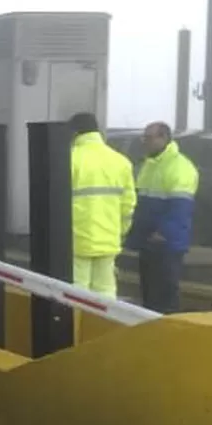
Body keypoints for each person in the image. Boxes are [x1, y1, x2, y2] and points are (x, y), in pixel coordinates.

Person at [127, 121, 199, 313]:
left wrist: (163, 232)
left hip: (165, 242)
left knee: (165, 293)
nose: (145, 142)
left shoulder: (179, 166)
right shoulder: (150, 165)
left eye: (149, 138)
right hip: (149, 241)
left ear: (164, 138)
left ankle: (167, 332)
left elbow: (180, 207)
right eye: (144, 138)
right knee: (150, 294)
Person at [68, 113, 135, 296]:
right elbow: (128, 205)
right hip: (109, 238)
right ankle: (104, 325)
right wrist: (121, 232)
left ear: (74, 132)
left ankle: (78, 324)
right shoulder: (121, 162)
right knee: (105, 290)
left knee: (77, 289)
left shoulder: (70, 159)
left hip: (77, 239)